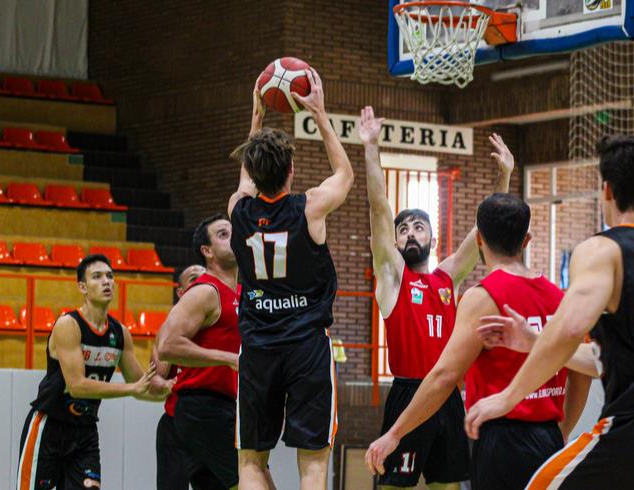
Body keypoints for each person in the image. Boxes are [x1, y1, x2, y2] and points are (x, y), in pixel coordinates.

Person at [465, 135, 634, 488]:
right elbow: (609, 356)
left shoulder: (603, 248)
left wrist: (507, 397)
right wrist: (536, 340)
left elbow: (569, 328)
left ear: (607, 190)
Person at [365, 193, 591, 489]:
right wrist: (563, 430)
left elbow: (445, 376)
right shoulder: (560, 298)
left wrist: (394, 433)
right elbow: (583, 371)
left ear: (480, 241)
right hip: (548, 436)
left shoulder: (483, 297)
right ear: (527, 240)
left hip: (500, 437)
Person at [358, 106, 514, 488]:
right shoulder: (393, 277)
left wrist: (505, 174)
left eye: (419, 227)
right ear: (394, 243)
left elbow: (485, 229)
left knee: (449, 486)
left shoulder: (447, 277)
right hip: (409, 392)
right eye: (404, 230)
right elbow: (380, 210)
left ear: (432, 237)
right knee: (396, 486)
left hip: (447, 395)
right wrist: (371, 148)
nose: (410, 233)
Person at [228, 68, 353, 490]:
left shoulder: (238, 211)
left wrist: (257, 119)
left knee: (250, 462)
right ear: (292, 170)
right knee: (313, 466)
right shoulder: (310, 208)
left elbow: (247, 180)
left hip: (259, 349)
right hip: (306, 348)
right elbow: (345, 174)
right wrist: (319, 114)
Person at [17, 254, 162, 490]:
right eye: (97, 276)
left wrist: (172, 389)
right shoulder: (68, 325)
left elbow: (140, 385)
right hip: (49, 427)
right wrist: (132, 388)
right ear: (82, 287)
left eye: (110, 276)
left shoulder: (120, 333)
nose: (107, 281)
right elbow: (77, 385)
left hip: (84, 433)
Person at [157, 215, 242, 490]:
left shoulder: (243, 292)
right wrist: (227, 359)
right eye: (223, 234)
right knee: (255, 482)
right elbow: (168, 345)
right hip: (203, 407)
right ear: (207, 251)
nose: (233, 236)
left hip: (227, 407)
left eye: (234, 231)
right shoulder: (205, 291)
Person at [153, 263, 205, 490]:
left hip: (216, 425)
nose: (202, 284)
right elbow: (155, 379)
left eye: (206, 279)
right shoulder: (171, 327)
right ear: (181, 292)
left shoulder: (227, 322)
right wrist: (167, 384)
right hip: (177, 425)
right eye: (194, 279)